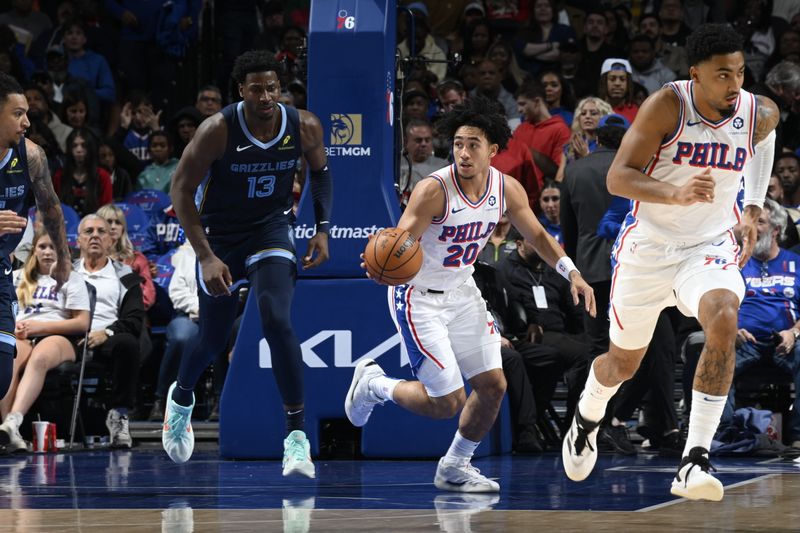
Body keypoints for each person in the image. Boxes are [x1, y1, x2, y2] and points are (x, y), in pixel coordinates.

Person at [561, 24, 779, 502]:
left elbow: (766, 138)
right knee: (623, 363)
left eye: (741, 73)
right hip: (648, 249)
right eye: (723, 75)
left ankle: (694, 460)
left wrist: (753, 207)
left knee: (723, 312)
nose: (735, 84)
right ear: (695, 74)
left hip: (708, 245)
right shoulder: (668, 105)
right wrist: (675, 193)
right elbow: (619, 178)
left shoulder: (755, 111)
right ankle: (587, 415)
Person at [345, 95, 594, 493]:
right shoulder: (434, 190)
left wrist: (572, 273)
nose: (463, 152)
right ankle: (375, 385)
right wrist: (383, 266)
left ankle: (455, 466)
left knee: (494, 386)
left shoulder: (506, 189)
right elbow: (401, 239)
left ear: (492, 149)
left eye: (473, 144)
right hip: (418, 297)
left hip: (462, 293)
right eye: (458, 143)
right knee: (446, 402)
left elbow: (539, 236)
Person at [163, 50, 332, 479]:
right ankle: (181, 399)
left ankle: (296, 438)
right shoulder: (216, 130)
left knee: (276, 319)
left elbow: (322, 173)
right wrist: (204, 255)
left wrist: (323, 228)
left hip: (271, 229)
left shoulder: (304, 124)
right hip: (220, 237)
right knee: (212, 339)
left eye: (272, 87)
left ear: (281, 88)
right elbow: (180, 191)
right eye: (256, 88)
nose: (265, 95)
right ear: (241, 90)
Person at [0, 73, 71, 402]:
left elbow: (51, 208)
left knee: (2, 375)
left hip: (1, 268)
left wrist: (64, 257)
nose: (27, 121)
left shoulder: (31, 157)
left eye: (27, 112)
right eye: (17, 113)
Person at [0, 230, 90, 452]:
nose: (48, 252)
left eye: (54, 247)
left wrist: (40, 327)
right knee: (7, 359)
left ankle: (14, 421)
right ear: (34, 250)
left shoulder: (70, 277)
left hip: (59, 336)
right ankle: (7, 432)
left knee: (39, 357)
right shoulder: (17, 276)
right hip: (22, 334)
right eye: (42, 246)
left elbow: (82, 322)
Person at [75, 215, 143, 449]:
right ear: (78, 241)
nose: (95, 235)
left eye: (101, 232)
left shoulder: (125, 276)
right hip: (70, 336)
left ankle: (119, 415)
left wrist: (107, 332)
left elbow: (134, 320)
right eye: (88, 231)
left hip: (106, 338)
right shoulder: (65, 272)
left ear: (111, 241)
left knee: (128, 343)